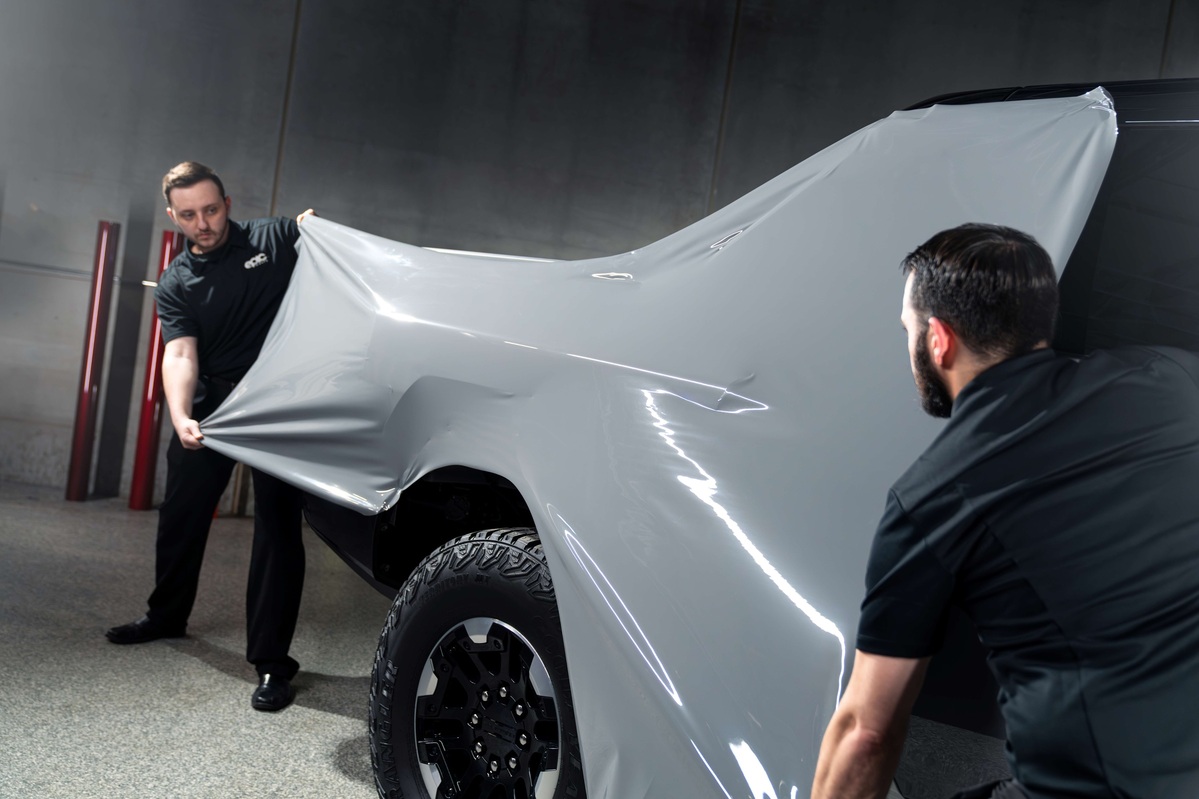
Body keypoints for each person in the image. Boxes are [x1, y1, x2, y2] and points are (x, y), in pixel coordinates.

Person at [812, 223, 1199, 798]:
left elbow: (866, 732)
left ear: (938, 340)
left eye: (909, 330)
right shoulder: (1173, 377)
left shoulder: (932, 498)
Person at [106, 161, 316, 712]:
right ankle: (166, 616)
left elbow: (328, 252)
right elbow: (180, 353)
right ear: (173, 216)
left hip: (276, 403)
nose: (203, 223)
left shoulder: (274, 238)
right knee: (181, 512)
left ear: (228, 203)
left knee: (277, 529)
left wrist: (316, 229)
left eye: (211, 209)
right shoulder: (176, 281)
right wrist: (180, 415)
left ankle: (272, 664)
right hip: (214, 405)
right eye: (189, 215)